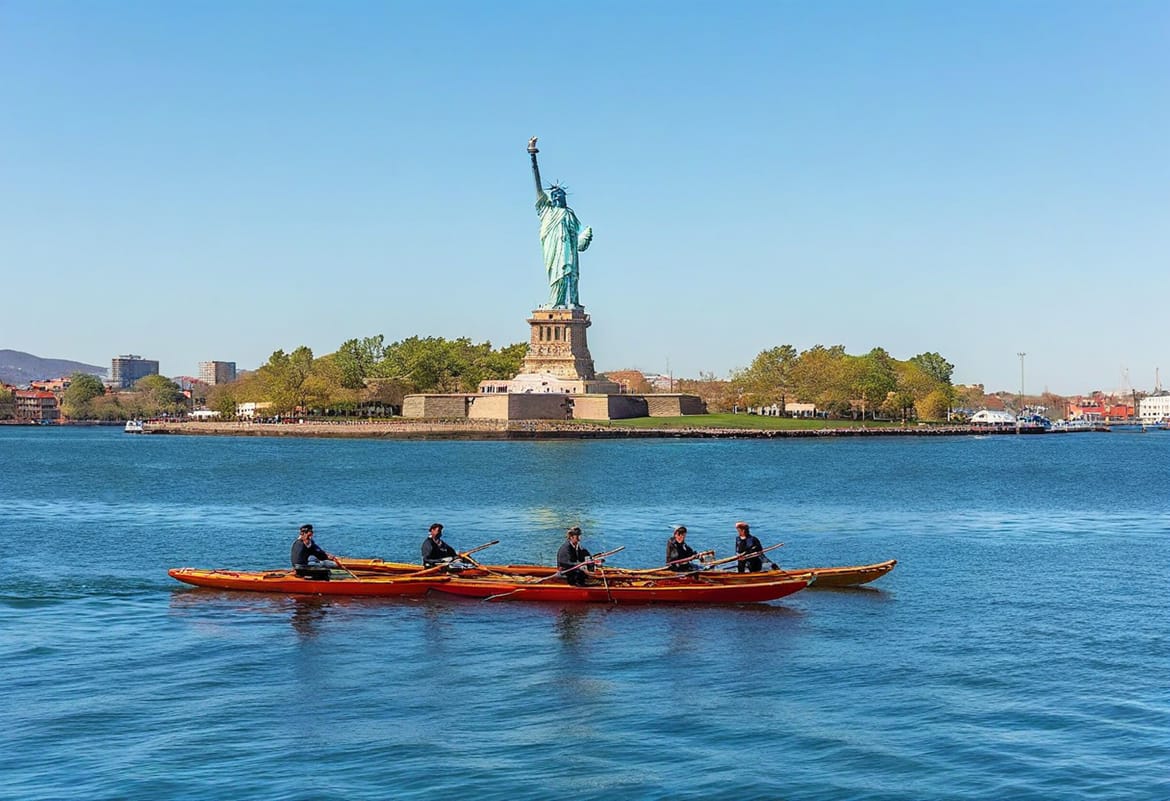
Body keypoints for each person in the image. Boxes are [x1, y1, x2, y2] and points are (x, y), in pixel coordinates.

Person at [528, 137, 593, 309]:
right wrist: (533, 156)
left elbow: (581, 234)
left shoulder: (569, 213)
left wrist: (586, 234)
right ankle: (555, 302)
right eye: (555, 195)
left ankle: (572, 302)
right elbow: (537, 183)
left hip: (569, 250)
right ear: (550, 198)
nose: (558, 197)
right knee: (558, 274)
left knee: (570, 274)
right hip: (553, 248)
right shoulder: (545, 210)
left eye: (561, 195)